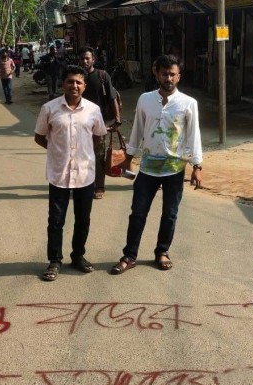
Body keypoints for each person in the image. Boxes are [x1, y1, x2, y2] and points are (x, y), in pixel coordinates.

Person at [110, 55, 203, 275]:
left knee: (170, 213)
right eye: (164, 73)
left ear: (179, 76)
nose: (168, 78)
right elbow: (138, 130)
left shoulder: (188, 103)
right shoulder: (145, 99)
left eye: (172, 74)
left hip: (174, 169)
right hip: (148, 168)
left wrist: (197, 166)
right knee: (138, 213)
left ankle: (162, 252)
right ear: (157, 74)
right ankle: (129, 255)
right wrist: (128, 156)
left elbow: (193, 135)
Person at [34, 65, 107, 281]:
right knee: (56, 220)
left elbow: (98, 136)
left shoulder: (93, 110)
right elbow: (40, 137)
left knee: (82, 219)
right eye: (70, 82)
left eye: (78, 82)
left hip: (85, 174)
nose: (74, 86)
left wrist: (83, 154)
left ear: (84, 86)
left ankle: (78, 256)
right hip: (59, 173)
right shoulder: (49, 109)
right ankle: (54, 260)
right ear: (63, 84)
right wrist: (57, 150)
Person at [78, 47, 121, 200]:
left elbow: (112, 97)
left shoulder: (102, 76)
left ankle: (99, 186)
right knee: (81, 155)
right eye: (82, 58)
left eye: (87, 58)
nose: (85, 61)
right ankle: (83, 185)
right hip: (80, 124)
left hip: (99, 123)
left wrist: (117, 119)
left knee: (99, 156)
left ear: (93, 60)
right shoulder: (77, 78)